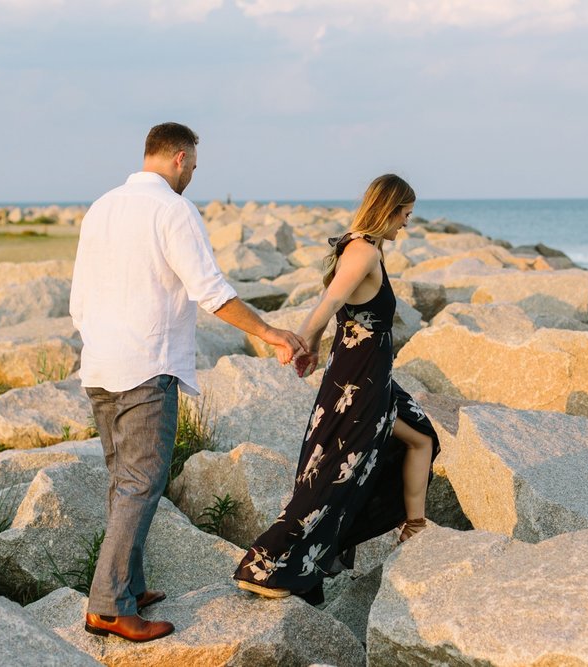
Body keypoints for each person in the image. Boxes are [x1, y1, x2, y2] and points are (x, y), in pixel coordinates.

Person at [70, 122, 307, 642]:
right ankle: (108, 607)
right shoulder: (172, 210)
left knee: (123, 483)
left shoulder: (102, 206)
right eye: (194, 167)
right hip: (145, 367)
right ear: (179, 158)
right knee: (141, 484)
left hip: (101, 366)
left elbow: (79, 300)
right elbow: (210, 290)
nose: (193, 177)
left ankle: (127, 586)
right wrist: (269, 332)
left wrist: (101, 342)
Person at [232, 173, 440, 604]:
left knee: (422, 437)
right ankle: (264, 562)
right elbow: (328, 302)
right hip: (358, 381)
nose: (407, 223)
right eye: (405, 214)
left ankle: (415, 528)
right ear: (389, 208)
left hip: (374, 376)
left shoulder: (367, 247)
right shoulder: (362, 249)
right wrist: (300, 342)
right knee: (331, 474)